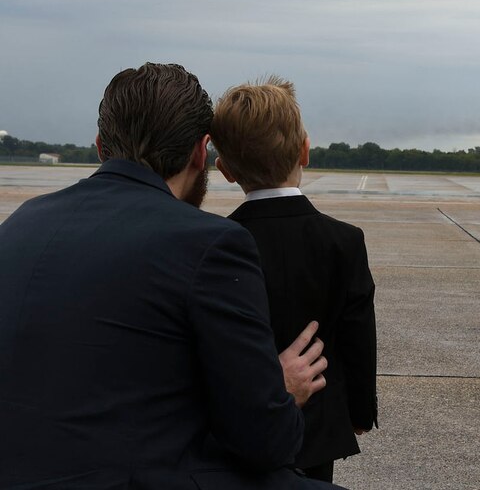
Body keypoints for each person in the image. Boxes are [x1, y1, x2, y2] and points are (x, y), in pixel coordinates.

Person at [0, 63, 343, 489]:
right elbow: (267, 443)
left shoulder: (21, 221)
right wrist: (283, 391)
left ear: (100, 147)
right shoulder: (211, 243)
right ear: (202, 152)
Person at [210, 76, 378, 483]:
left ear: (226, 170)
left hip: (241, 430)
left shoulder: (215, 243)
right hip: (319, 428)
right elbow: (358, 336)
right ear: (305, 150)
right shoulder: (344, 240)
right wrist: (359, 412)